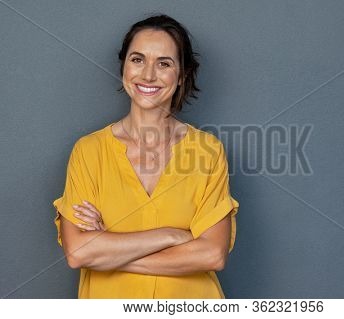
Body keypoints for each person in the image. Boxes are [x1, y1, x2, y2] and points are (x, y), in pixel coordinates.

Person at [53, 14, 239, 299]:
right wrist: (172, 235)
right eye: (137, 59)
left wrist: (109, 250)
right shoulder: (89, 151)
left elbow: (212, 254)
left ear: (182, 76)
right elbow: (78, 253)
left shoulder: (207, 151)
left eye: (164, 63)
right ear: (123, 67)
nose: (148, 74)